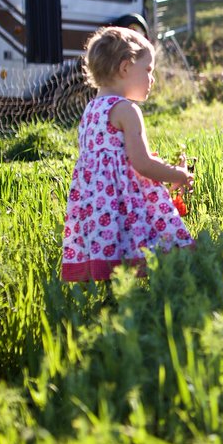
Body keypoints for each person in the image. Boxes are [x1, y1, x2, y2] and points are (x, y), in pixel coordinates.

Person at [61, 26, 195, 281]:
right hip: (124, 200)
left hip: (99, 205)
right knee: (156, 243)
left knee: (115, 251)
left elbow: (119, 158)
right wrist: (176, 173)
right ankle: (163, 288)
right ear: (125, 68)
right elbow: (141, 163)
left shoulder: (91, 110)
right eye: (147, 70)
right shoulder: (126, 110)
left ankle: (114, 295)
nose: (152, 79)